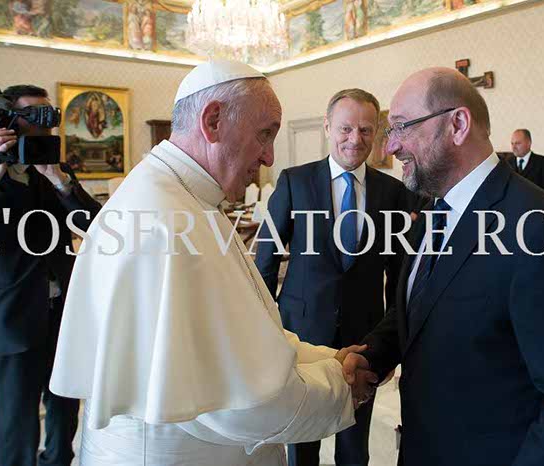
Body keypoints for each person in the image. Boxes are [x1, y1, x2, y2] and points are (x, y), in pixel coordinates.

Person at [49, 59, 374, 466]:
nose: (270, 157)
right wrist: (341, 384)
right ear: (214, 120)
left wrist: (326, 358)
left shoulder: (182, 197)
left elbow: (244, 339)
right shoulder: (166, 219)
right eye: (265, 134)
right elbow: (239, 402)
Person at [341, 68, 544, 465]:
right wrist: (374, 355)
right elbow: (424, 304)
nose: (390, 146)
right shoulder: (432, 211)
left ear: (457, 125)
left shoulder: (541, 227)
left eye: (402, 127)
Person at [255, 88, 419, 466]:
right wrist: (264, 330)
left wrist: (390, 344)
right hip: (301, 333)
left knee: (354, 447)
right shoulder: (294, 182)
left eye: (365, 130)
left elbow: (399, 278)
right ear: (328, 127)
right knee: (301, 445)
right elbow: (265, 263)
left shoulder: (393, 192)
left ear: (376, 133)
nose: (354, 139)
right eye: (345, 128)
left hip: (364, 337)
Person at [0, 84, 102, 466]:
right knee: (17, 425)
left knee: (65, 413)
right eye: (32, 117)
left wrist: (60, 180)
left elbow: (94, 225)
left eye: (48, 118)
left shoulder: (52, 166)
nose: (42, 127)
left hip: (62, 315)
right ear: (7, 121)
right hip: (7, 318)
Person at [508, 128, 544, 196]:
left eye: (517, 143)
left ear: (529, 143)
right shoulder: (507, 163)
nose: (513, 147)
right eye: (512, 143)